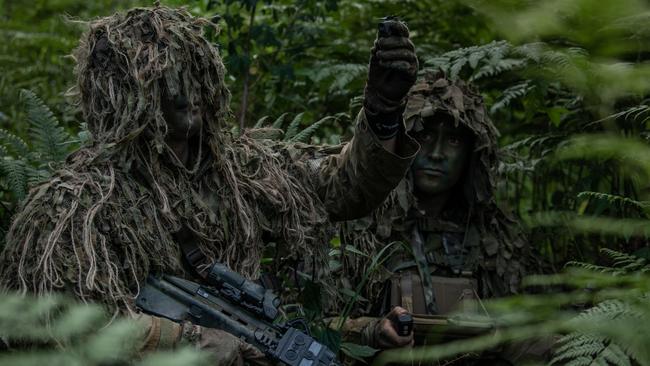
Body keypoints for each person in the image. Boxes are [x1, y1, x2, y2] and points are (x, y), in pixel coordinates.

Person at [0, 5, 419, 364]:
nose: (185, 91)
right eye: (163, 78)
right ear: (123, 94)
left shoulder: (242, 171)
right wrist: (191, 342)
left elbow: (341, 189)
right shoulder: (77, 205)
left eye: (191, 71)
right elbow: (57, 322)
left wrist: (382, 112)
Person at [334, 72, 539, 364]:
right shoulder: (358, 227)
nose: (437, 154)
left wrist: (498, 336)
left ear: (472, 154)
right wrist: (371, 331)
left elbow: (539, 329)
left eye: (453, 140)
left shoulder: (496, 235)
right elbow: (310, 326)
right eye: (425, 136)